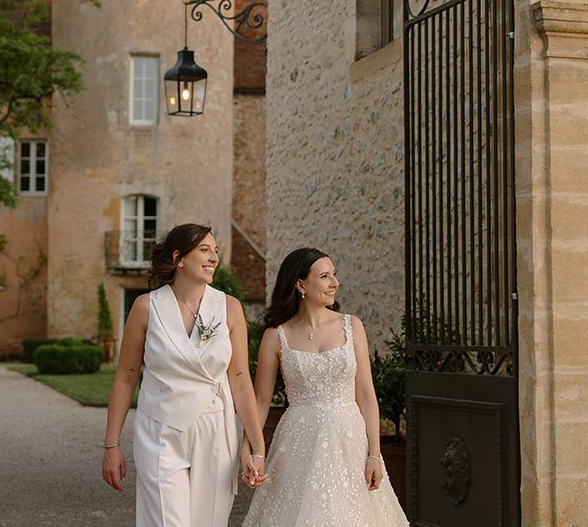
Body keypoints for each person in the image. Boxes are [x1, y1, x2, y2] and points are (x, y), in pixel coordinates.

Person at [101, 223, 267, 526]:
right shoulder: (146, 307)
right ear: (179, 258)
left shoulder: (229, 308)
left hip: (215, 429)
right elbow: (125, 378)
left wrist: (257, 447)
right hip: (160, 431)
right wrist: (112, 445)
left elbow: (241, 381)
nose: (214, 258)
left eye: (215, 251)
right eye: (204, 250)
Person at [241, 247, 408, 527]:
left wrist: (374, 455)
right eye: (325, 276)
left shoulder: (352, 327)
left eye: (334, 275)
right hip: (298, 446)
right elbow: (260, 402)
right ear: (301, 284)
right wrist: (251, 450)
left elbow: (366, 395)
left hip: (349, 443)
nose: (334, 283)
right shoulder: (276, 336)